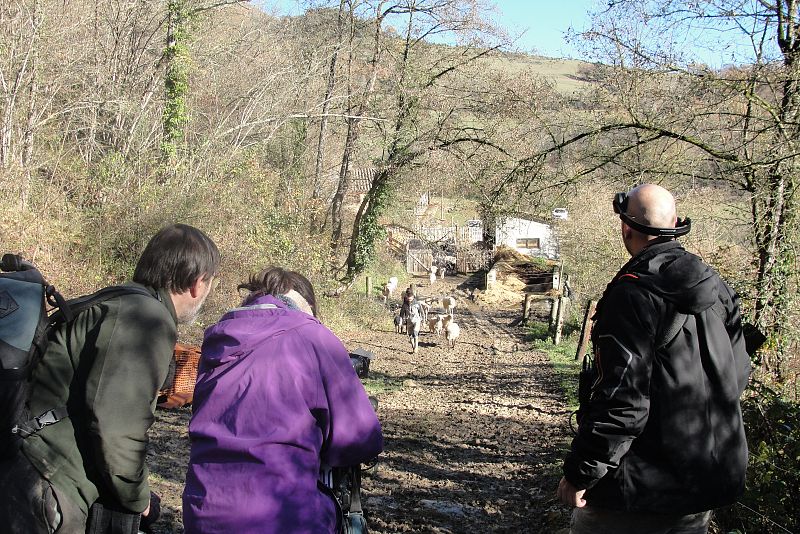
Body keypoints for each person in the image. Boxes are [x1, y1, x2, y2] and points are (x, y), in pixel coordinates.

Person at [0, 223, 220, 533]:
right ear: (198, 284)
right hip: (44, 482)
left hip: (25, 467)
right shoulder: (147, 320)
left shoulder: (117, 301)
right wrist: (138, 497)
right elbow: (118, 428)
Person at [556, 184, 751, 534]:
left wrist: (580, 473)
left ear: (625, 228)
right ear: (676, 223)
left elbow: (622, 401)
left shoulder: (631, 295)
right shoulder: (718, 289)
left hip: (635, 493)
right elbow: (736, 376)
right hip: (700, 486)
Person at [182, 266, 383, 534]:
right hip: (281, 516)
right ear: (308, 305)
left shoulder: (217, 340)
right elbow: (360, 442)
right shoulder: (313, 335)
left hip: (203, 513)